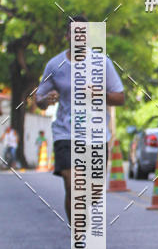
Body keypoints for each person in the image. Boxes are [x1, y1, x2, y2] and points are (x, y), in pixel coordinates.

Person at [36, 15, 125, 231]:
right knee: (73, 184)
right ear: (67, 36)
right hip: (66, 133)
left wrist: (99, 94)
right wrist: (46, 100)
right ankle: (78, 235)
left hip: (95, 135)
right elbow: (39, 99)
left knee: (93, 192)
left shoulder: (102, 63)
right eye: (74, 32)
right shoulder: (55, 65)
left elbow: (120, 98)